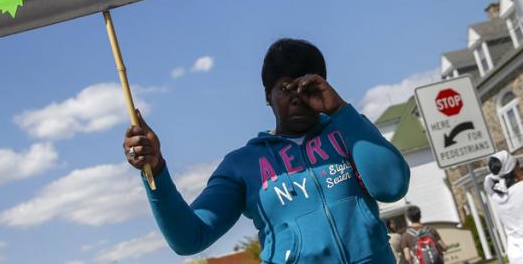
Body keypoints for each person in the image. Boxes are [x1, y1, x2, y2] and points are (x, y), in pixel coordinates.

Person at [123, 38, 411, 262]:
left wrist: (341, 111)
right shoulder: (242, 165)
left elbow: (392, 187)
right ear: (267, 96)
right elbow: (189, 238)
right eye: (286, 87)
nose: (298, 97)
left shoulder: (348, 130)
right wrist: (157, 170)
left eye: (307, 85)